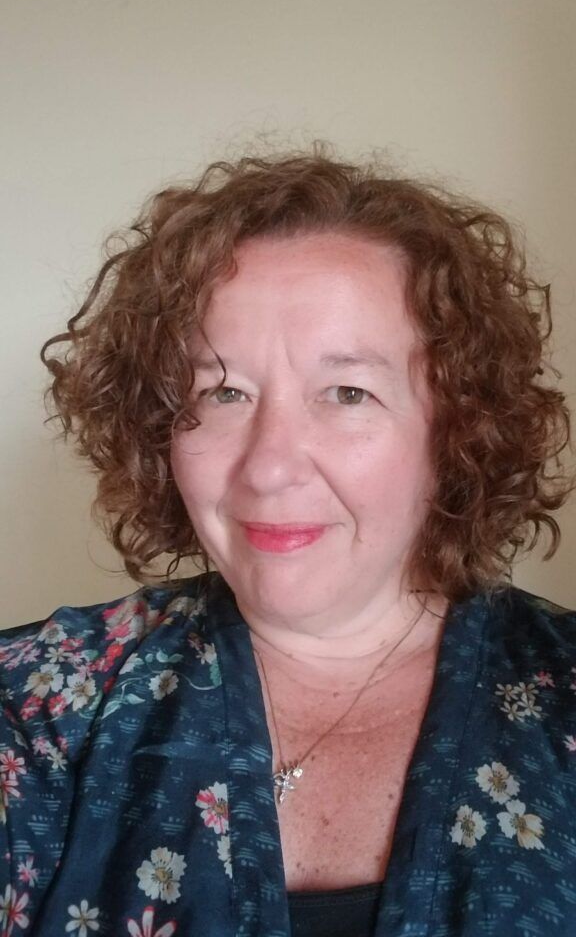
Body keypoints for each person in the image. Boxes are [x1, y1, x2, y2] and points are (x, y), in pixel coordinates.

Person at [0, 149, 575, 937]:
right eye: (224, 392)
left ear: (457, 432)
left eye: (348, 392)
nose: (269, 467)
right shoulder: (38, 706)